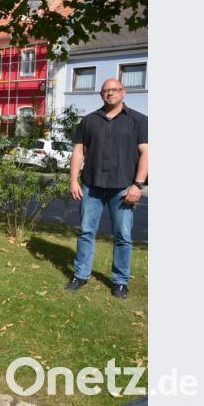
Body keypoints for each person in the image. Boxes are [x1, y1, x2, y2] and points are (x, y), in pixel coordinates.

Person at [65, 78, 147, 299]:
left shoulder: (139, 120)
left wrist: (138, 184)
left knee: (123, 235)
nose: (109, 93)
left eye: (114, 90)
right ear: (101, 95)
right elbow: (78, 151)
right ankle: (80, 275)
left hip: (123, 188)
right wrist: (73, 180)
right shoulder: (89, 121)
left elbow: (146, 154)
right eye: (105, 91)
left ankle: (120, 281)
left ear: (123, 92)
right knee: (86, 231)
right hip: (92, 186)